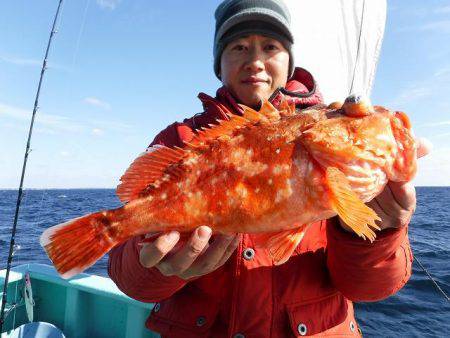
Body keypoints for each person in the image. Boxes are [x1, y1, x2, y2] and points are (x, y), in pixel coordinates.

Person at [108, 0, 430, 337]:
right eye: (239, 47)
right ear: (219, 63)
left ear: (290, 61)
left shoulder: (329, 127)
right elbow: (131, 279)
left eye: (271, 46)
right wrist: (162, 269)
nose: (256, 61)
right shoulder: (180, 140)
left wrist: (379, 232)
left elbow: (370, 289)